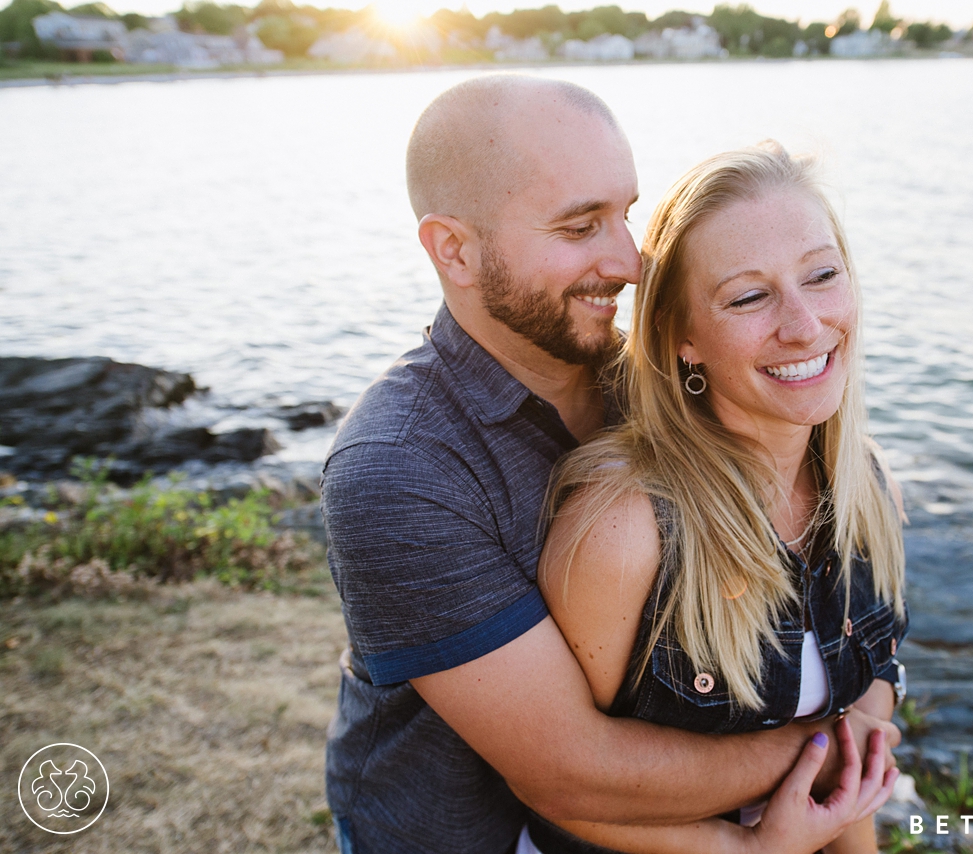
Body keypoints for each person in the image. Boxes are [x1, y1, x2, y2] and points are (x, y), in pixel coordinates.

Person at [322, 75, 900, 854]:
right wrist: (823, 753)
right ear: (453, 249)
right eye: (578, 226)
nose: (630, 263)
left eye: (624, 215)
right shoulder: (397, 470)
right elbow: (573, 773)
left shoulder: (671, 396)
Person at [523, 142, 909, 854]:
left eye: (822, 275)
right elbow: (565, 792)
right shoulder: (625, 529)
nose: (803, 324)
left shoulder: (864, 489)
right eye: (749, 296)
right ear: (684, 340)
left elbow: (867, 711)